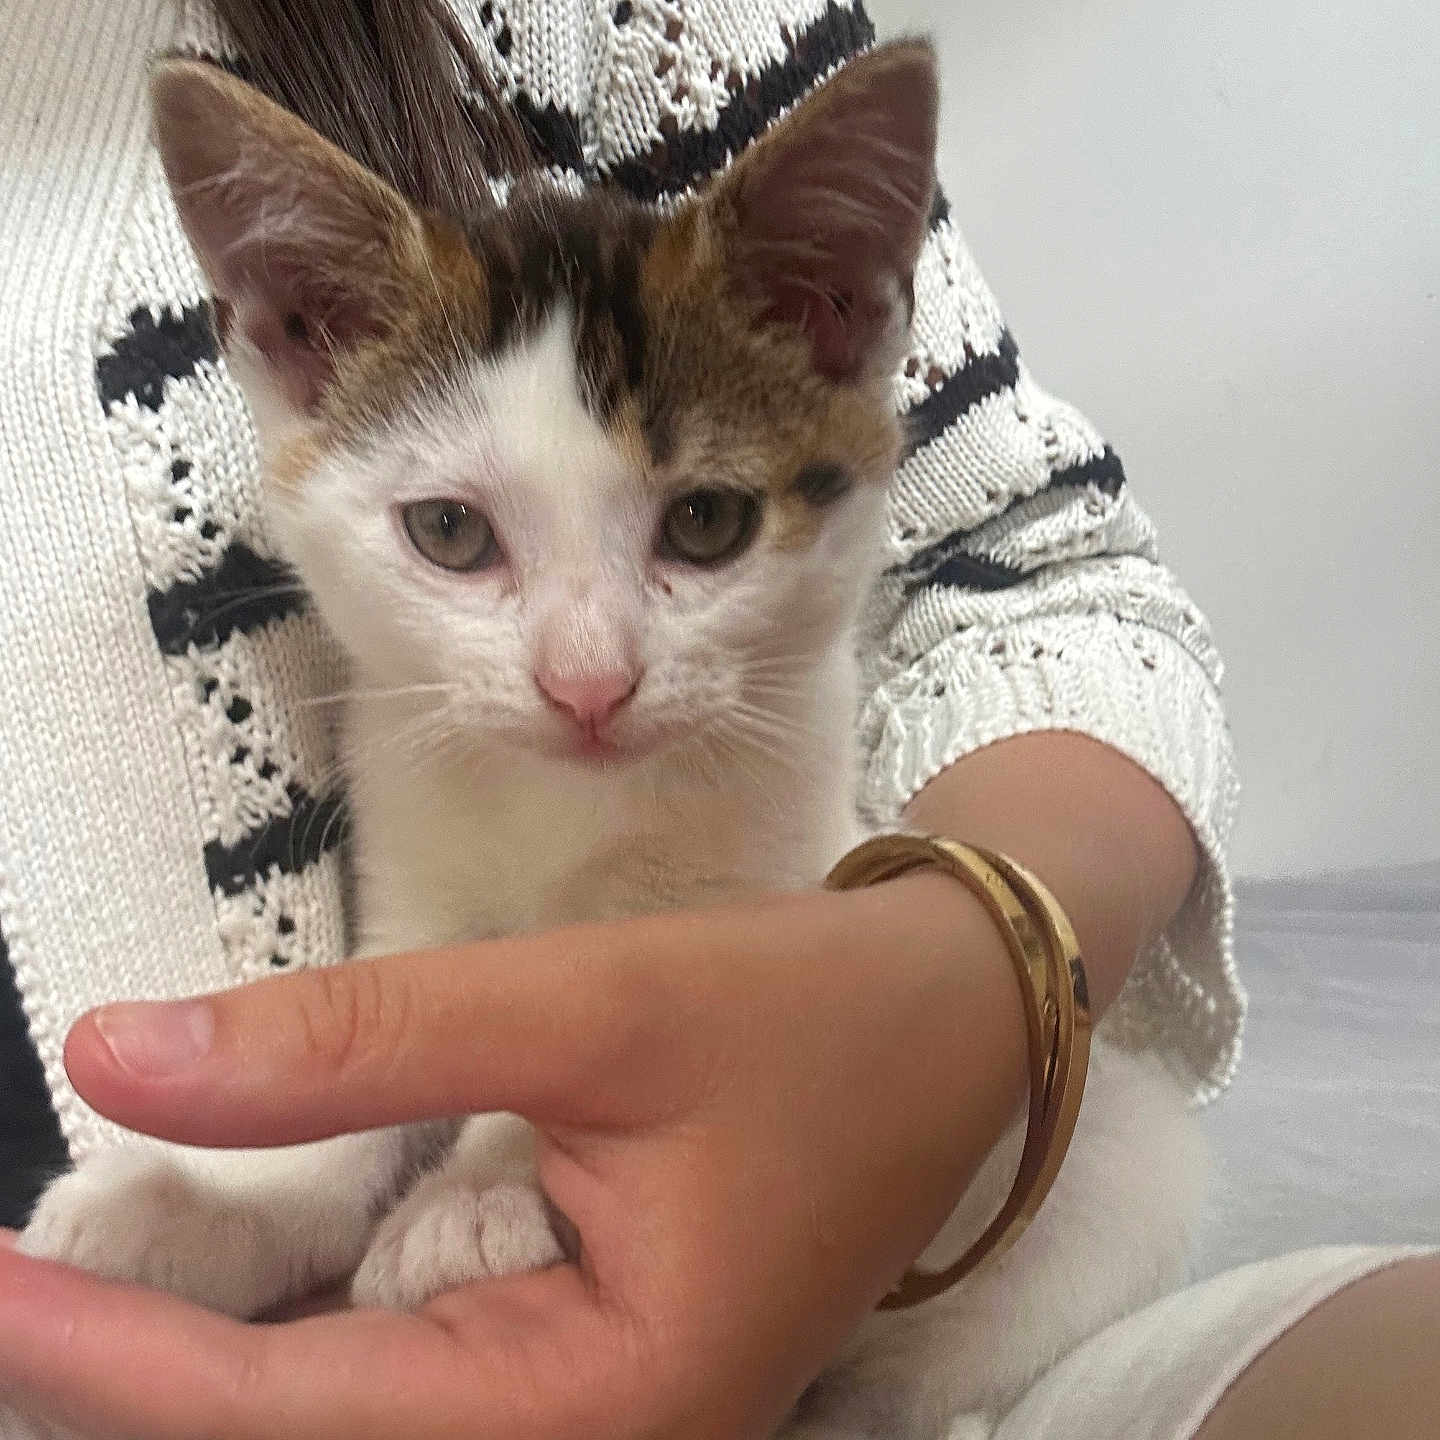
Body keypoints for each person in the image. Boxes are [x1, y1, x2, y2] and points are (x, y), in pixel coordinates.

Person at [0, 1, 1434, 1437]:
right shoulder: (406, 704)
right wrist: (275, 1196)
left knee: (1151, 1170)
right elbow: (425, 972)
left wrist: (521, 1157)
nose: (588, 674)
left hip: (922, 1315)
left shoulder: (623, 36)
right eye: (452, 532)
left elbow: (1041, 593)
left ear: (840, 329)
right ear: (293, 351)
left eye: (700, 518)